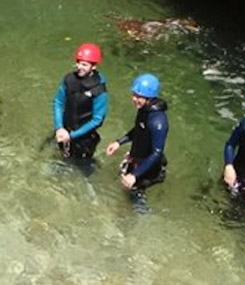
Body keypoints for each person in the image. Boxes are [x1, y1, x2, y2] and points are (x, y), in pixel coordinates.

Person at [105, 74, 167, 214]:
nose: (134, 99)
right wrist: (119, 142)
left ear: (150, 98)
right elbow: (138, 130)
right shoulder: (144, 111)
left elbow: (157, 153)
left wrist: (135, 175)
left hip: (151, 168)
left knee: (134, 196)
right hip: (139, 160)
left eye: (139, 96)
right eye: (134, 94)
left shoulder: (158, 122)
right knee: (124, 189)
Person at [53, 43, 108, 166]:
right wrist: (59, 127)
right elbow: (58, 102)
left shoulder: (98, 90)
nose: (79, 67)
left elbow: (97, 120)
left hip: (84, 138)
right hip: (64, 130)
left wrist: (72, 135)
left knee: (82, 166)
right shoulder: (69, 79)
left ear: (93, 66)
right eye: (78, 62)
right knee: (61, 158)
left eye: (84, 64)